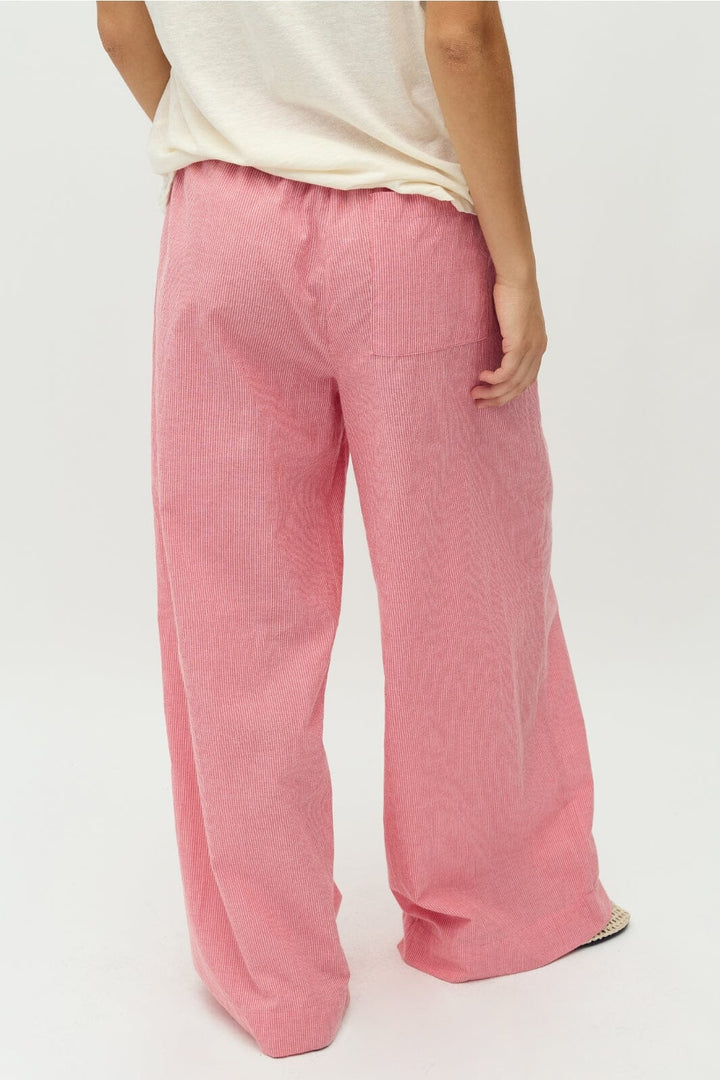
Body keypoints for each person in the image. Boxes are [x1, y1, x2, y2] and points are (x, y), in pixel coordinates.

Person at [97, 0, 630, 1060]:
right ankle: (494, 913)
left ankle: (273, 975)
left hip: (222, 231)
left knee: (234, 616)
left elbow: (120, 25)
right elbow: (461, 32)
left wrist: (237, 131)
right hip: (407, 231)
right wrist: (515, 263)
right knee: (467, 586)